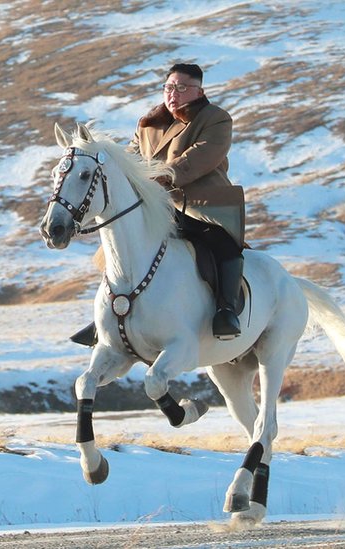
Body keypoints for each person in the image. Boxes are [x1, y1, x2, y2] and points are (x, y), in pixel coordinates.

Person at [70, 63, 246, 346]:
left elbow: (200, 157)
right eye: (168, 87)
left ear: (198, 91)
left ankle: (226, 311)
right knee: (117, 248)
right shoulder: (148, 123)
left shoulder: (215, 119)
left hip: (200, 204)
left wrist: (161, 176)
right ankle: (109, 316)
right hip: (155, 205)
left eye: (181, 88)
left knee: (223, 245)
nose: (172, 94)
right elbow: (131, 158)